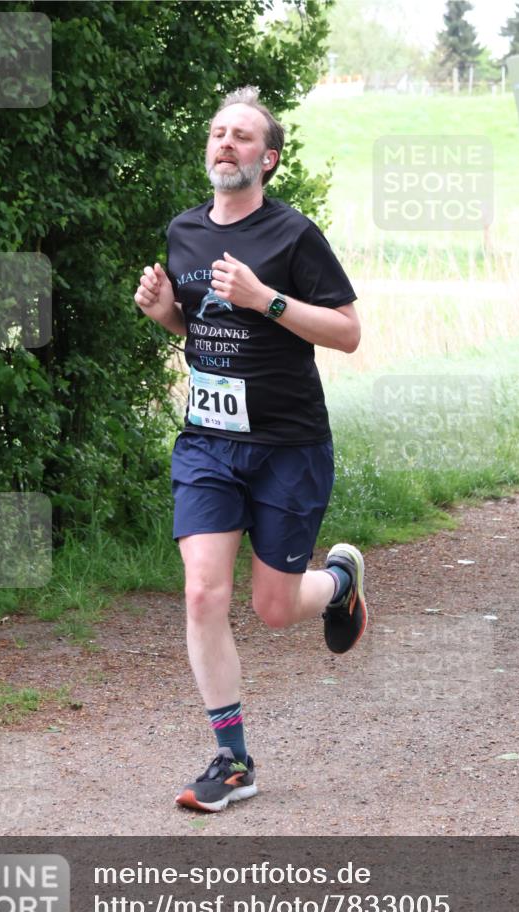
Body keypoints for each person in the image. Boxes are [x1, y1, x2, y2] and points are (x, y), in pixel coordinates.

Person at [134, 86, 367, 813]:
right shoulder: (184, 231)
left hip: (286, 444)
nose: (223, 143)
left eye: (240, 137)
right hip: (208, 443)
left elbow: (346, 332)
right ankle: (232, 761)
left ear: (265, 159)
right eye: (215, 133)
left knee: (272, 608)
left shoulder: (293, 236)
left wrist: (264, 297)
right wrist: (167, 313)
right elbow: (203, 332)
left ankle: (338, 580)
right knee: (203, 590)